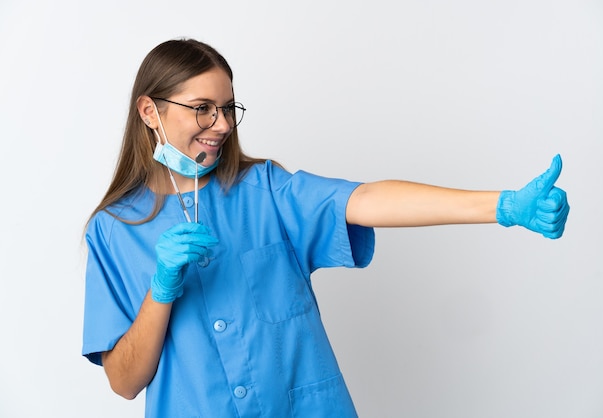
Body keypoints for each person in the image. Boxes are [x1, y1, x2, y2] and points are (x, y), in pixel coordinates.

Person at [82, 38, 570, 418]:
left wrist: (502, 206)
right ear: (151, 111)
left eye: (228, 108)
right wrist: (161, 289)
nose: (222, 124)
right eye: (202, 108)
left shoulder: (266, 190)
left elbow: (367, 198)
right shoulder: (113, 229)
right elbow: (125, 381)